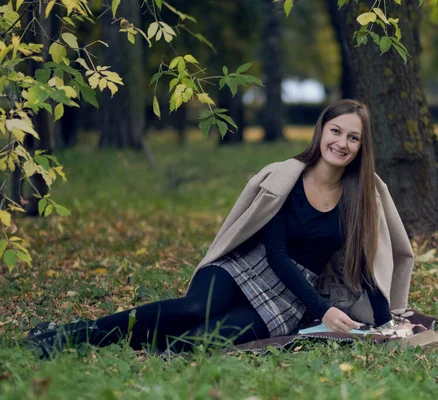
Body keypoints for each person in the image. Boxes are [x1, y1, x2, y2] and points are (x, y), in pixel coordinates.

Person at [25, 99, 415, 358]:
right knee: (194, 308)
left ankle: (126, 341)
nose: (342, 143)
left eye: (353, 137)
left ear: (362, 147)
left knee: (197, 340)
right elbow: (276, 254)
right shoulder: (285, 177)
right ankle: (69, 335)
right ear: (321, 131)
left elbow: (365, 264)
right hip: (249, 265)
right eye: (336, 131)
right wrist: (323, 310)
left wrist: (386, 322)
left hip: (290, 297)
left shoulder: (357, 197)